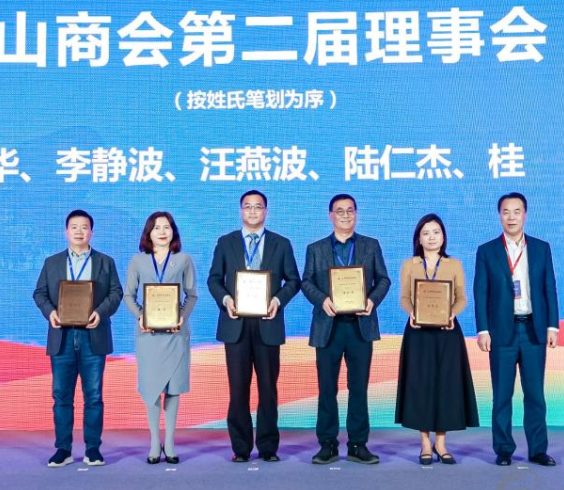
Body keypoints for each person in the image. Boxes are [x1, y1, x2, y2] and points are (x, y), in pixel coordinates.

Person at [207, 190, 301, 463]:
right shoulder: (226, 242)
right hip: (235, 323)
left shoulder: (281, 244)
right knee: (238, 389)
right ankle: (241, 448)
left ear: (266, 211)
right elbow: (214, 279)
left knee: (268, 389)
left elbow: (293, 280)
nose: (252, 211)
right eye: (247, 206)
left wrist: (277, 300)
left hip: (268, 323)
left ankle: (268, 447)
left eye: (258, 207)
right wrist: (226, 300)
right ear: (240, 211)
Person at [301, 194, 391, 465]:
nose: (345, 215)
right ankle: (327, 444)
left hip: (359, 326)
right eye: (339, 211)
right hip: (328, 326)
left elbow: (384, 279)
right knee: (327, 389)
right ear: (330, 216)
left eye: (350, 211)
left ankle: (358, 444)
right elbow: (306, 282)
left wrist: (372, 301)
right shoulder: (315, 248)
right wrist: (322, 300)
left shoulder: (370, 245)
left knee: (359, 388)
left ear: (356, 214)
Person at [473, 193, 560, 467]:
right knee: (502, 395)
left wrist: (552, 326)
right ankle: (503, 449)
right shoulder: (487, 251)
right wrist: (483, 330)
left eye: (517, 211)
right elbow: (480, 293)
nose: (511, 217)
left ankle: (538, 450)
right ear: (499, 215)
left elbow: (549, 288)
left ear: (525, 214)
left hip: (533, 329)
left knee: (535, 394)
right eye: (506, 212)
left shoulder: (541, 248)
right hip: (501, 332)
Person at [33, 209, 123, 468]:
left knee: (93, 396)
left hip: (93, 336)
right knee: (61, 396)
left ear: (91, 232)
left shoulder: (105, 262)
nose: (79, 231)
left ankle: (93, 449)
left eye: (84, 227)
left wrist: (100, 313)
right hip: (61, 336)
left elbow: (116, 293)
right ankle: (63, 449)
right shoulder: (52, 262)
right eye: (74, 227)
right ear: (66, 232)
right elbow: (39, 293)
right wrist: (50, 313)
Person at [395, 214, 479, 465]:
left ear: (443, 237)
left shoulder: (454, 265)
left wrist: (451, 314)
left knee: (446, 385)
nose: (431, 237)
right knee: (420, 385)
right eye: (426, 233)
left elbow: (462, 298)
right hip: (418, 332)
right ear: (418, 239)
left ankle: (441, 443)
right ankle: (424, 443)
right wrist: (412, 313)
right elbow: (404, 297)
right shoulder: (409, 264)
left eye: (436, 232)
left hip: (447, 331)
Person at [123, 212, 198, 465]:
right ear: (149, 233)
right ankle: (155, 442)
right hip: (149, 335)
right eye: (157, 228)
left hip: (176, 334)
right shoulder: (138, 261)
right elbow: (128, 295)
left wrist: (181, 318)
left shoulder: (184, 259)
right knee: (152, 388)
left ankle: (170, 442)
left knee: (173, 388)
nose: (162, 232)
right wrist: (140, 316)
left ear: (173, 231)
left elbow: (191, 295)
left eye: (167, 227)